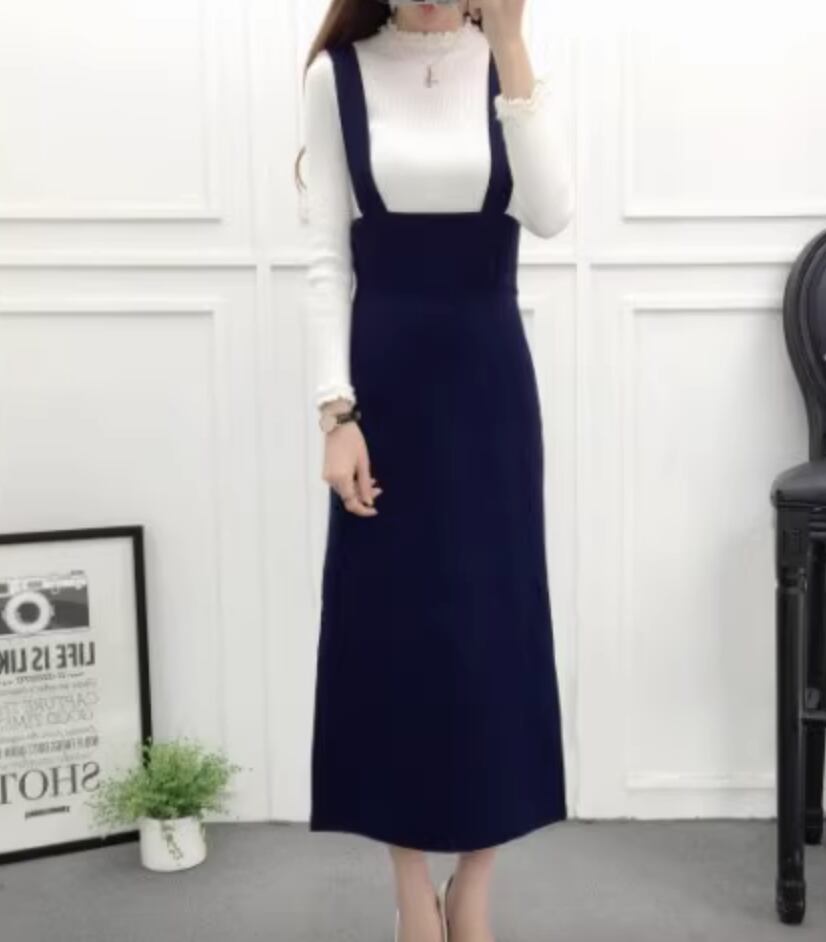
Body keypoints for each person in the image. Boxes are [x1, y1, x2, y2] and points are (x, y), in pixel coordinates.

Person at [295, 1, 574, 940]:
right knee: (394, 636)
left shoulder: (506, 63)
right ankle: (411, 886)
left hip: (489, 389)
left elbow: (552, 212)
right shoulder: (337, 75)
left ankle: (477, 887)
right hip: (383, 395)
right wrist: (336, 413)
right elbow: (326, 259)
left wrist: (511, 47)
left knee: (493, 632)